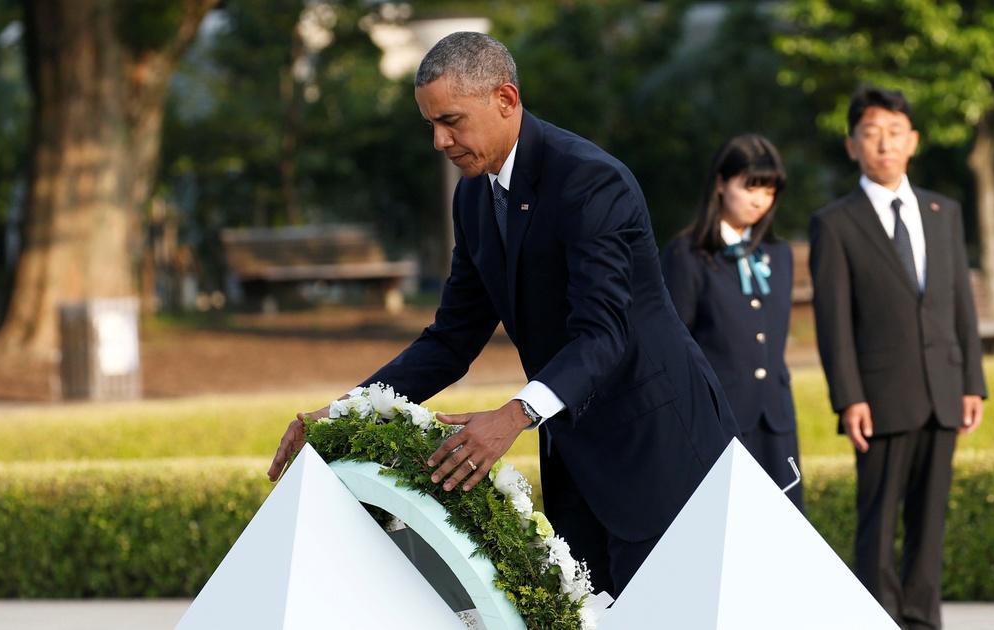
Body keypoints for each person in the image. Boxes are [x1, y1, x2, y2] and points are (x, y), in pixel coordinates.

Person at [265, 32, 738, 597]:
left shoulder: (590, 181)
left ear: (506, 100)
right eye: (430, 124)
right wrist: (343, 414)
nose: (439, 141)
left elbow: (604, 333)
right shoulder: (473, 197)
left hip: (660, 442)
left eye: (451, 121)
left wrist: (514, 415)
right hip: (576, 455)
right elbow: (450, 340)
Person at [808, 85, 987, 629]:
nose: (884, 144)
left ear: (913, 141)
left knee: (930, 524)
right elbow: (832, 321)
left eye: (894, 133)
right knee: (878, 521)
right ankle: (878, 619)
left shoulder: (944, 211)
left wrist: (972, 381)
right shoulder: (836, 223)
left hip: (943, 389)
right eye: (871, 134)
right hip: (880, 398)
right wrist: (849, 397)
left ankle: (923, 620)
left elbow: (960, 301)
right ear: (852, 145)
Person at [660, 134, 804, 510]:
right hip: (718, 422)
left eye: (770, 189)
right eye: (751, 186)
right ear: (722, 183)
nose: (760, 200)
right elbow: (672, 348)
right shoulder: (687, 255)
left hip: (776, 421)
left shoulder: (779, 253)